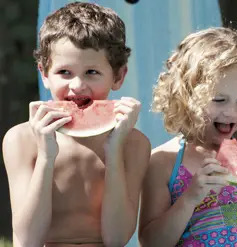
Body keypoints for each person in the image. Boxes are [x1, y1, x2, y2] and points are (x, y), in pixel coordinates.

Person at [2, 2, 150, 247]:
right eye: (65, 72)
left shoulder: (134, 144)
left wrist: (114, 152)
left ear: (118, 76)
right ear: (44, 74)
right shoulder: (21, 139)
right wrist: (46, 157)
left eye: (92, 72)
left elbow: (116, 239)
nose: (78, 86)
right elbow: (28, 240)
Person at [138, 27, 237, 247]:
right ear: (186, 96)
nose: (232, 112)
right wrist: (190, 198)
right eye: (219, 100)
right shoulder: (163, 161)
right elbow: (151, 242)